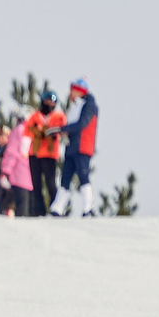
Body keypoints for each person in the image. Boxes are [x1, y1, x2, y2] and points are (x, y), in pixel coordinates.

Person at [56, 75, 99, 214]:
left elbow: (82, 123)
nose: (70, 93)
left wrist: (63, 130)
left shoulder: (89, 105)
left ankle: (88, 207)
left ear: (79, 91)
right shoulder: (74, 106)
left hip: (82, 146)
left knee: (83, 175)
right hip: (71, 147)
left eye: (72, 90)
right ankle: (57, 207)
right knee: (65, 177)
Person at [26, 91, 63, 212]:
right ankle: (38, 211)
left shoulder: (58, 116)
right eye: (48, 100)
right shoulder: (35, 115)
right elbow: (28, 130)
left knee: (51, 183)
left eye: (52, 101)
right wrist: (38, 132)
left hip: (49, 154)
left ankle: (55, 208)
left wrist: (48, 133)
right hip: (35, 153)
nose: (50, 103)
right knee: (36, 185)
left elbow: (60, 129)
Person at [0, 119, 32, 215]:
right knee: (5, 205)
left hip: (15, 179)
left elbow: (12, 155)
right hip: (6, 184)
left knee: (14, 206)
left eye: (2, 135)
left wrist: (5, 170)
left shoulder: (13, 143)